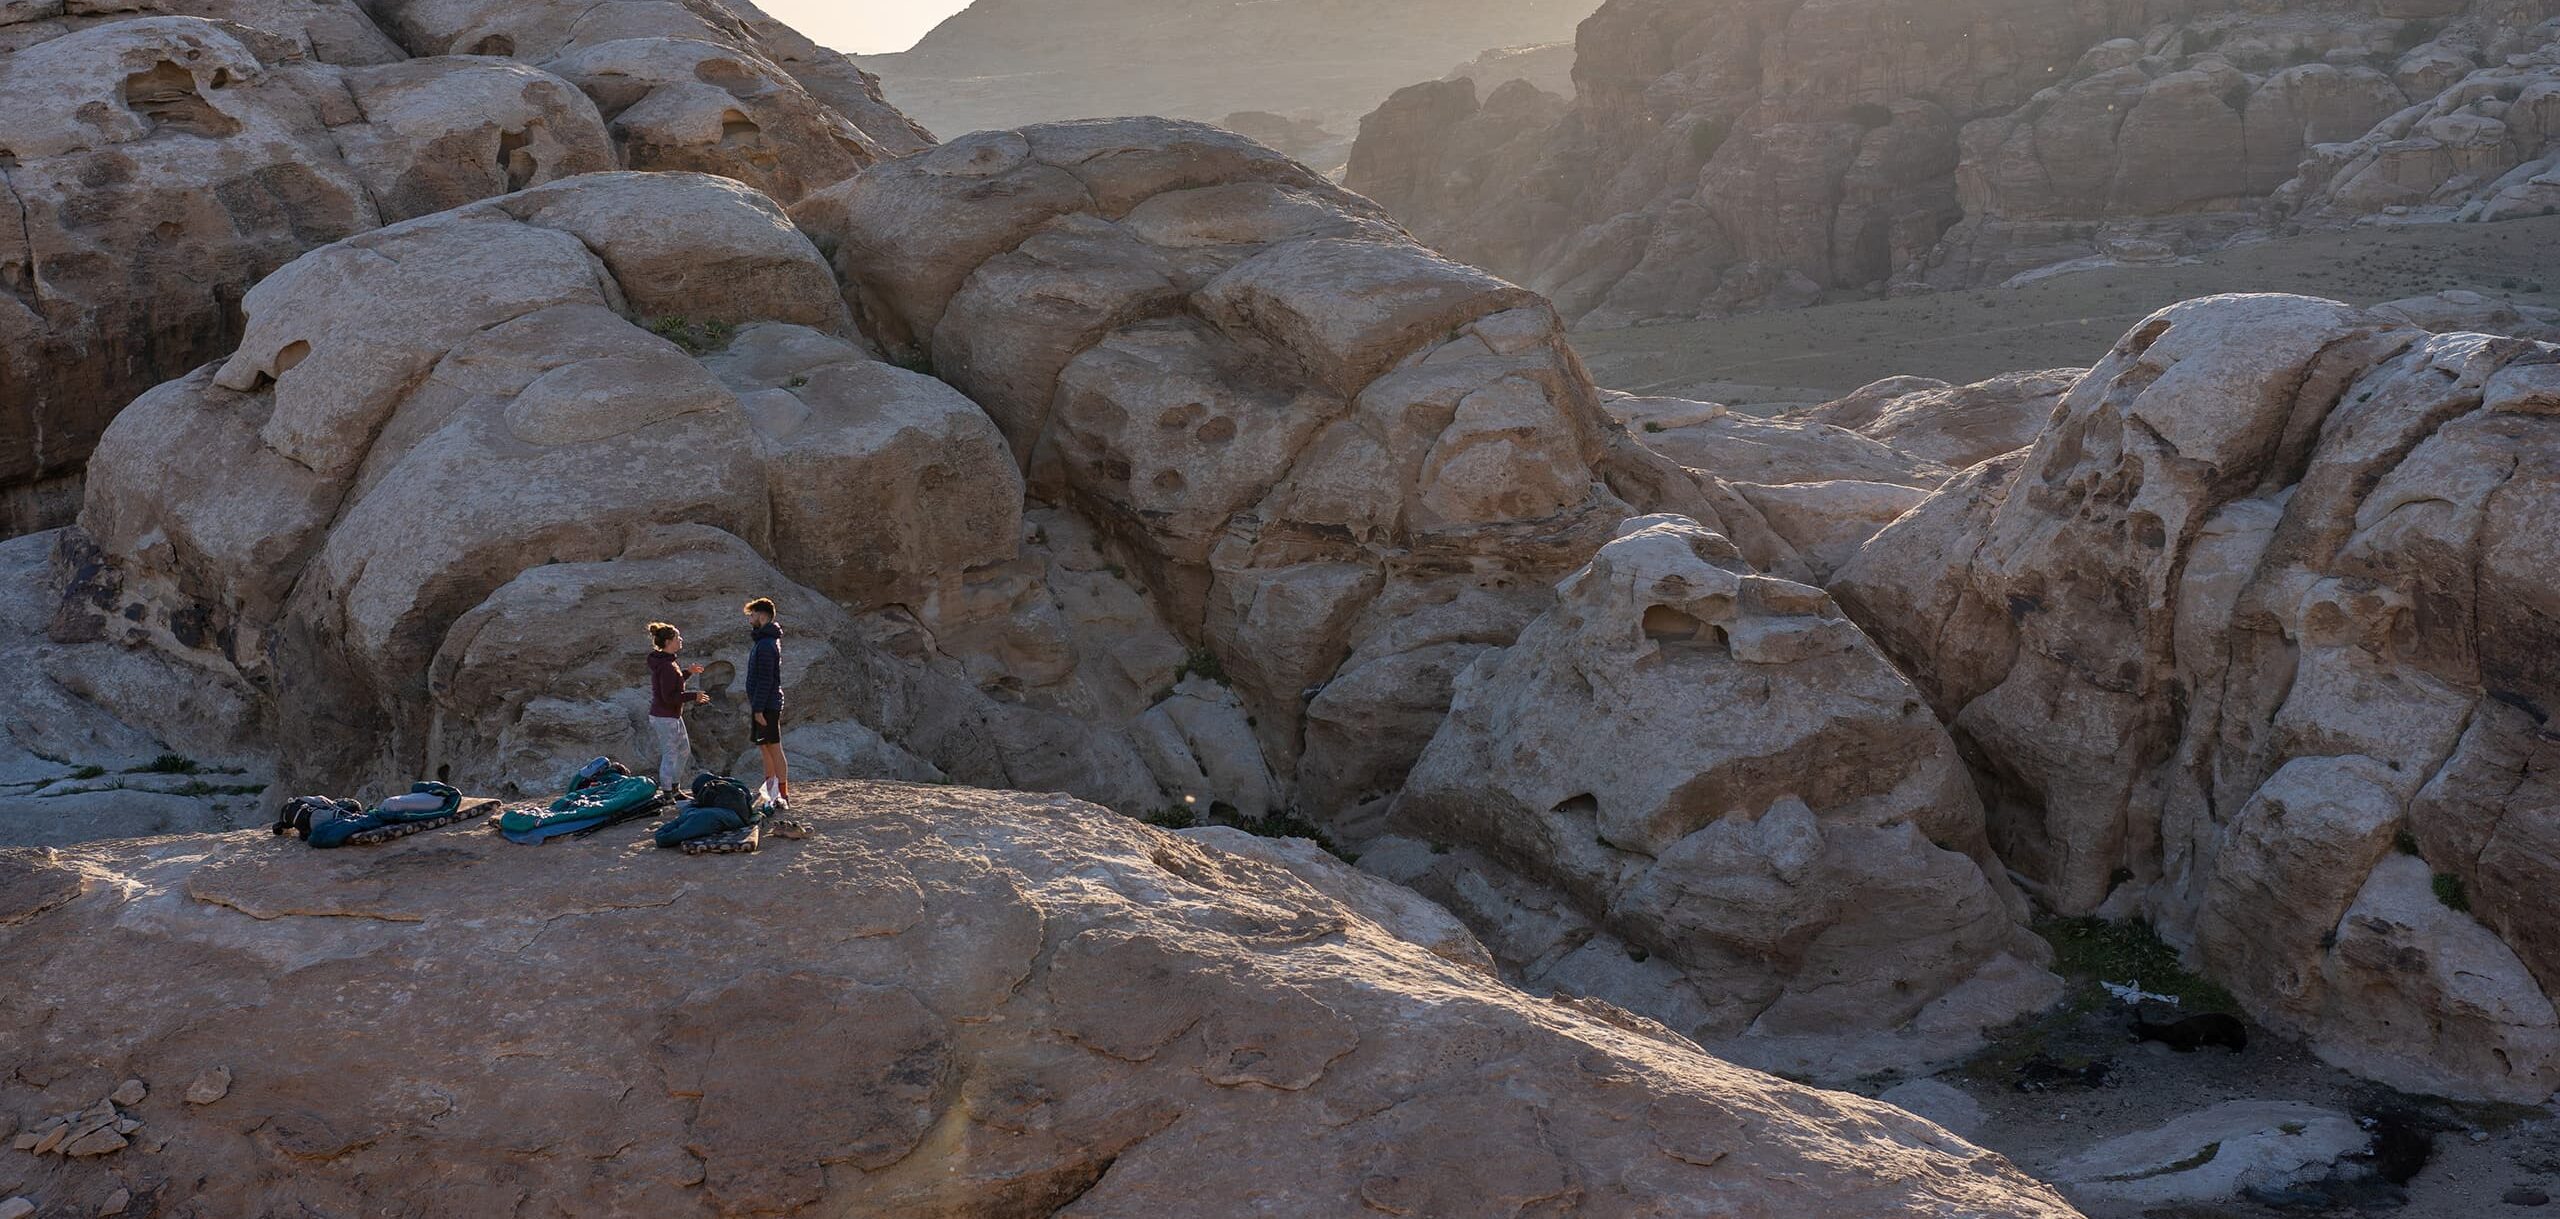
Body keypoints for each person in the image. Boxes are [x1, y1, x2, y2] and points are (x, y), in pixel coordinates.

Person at [646, 622, 709, 792]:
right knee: (670, 754)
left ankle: (674, 788)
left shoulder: (668, 662)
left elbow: (673, 684)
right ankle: (667, 792)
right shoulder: (666, 666)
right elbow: (669, 697)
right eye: (677, 637)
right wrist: (693, 696)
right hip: (664, 717)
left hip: (671, 716)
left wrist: (688, 672)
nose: (680, 640)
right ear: (668, 642)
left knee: (683, 751)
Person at [742, 597, 789, 808]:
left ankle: (782, 793)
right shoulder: (764, 641)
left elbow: (766, 679)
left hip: (767, 705)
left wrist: (759, 709)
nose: (750, 619)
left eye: (752, 615)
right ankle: (770, 788)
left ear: (762, 616)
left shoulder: (767, 644)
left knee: (774, 747)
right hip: (763, 703)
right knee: (764, 747)